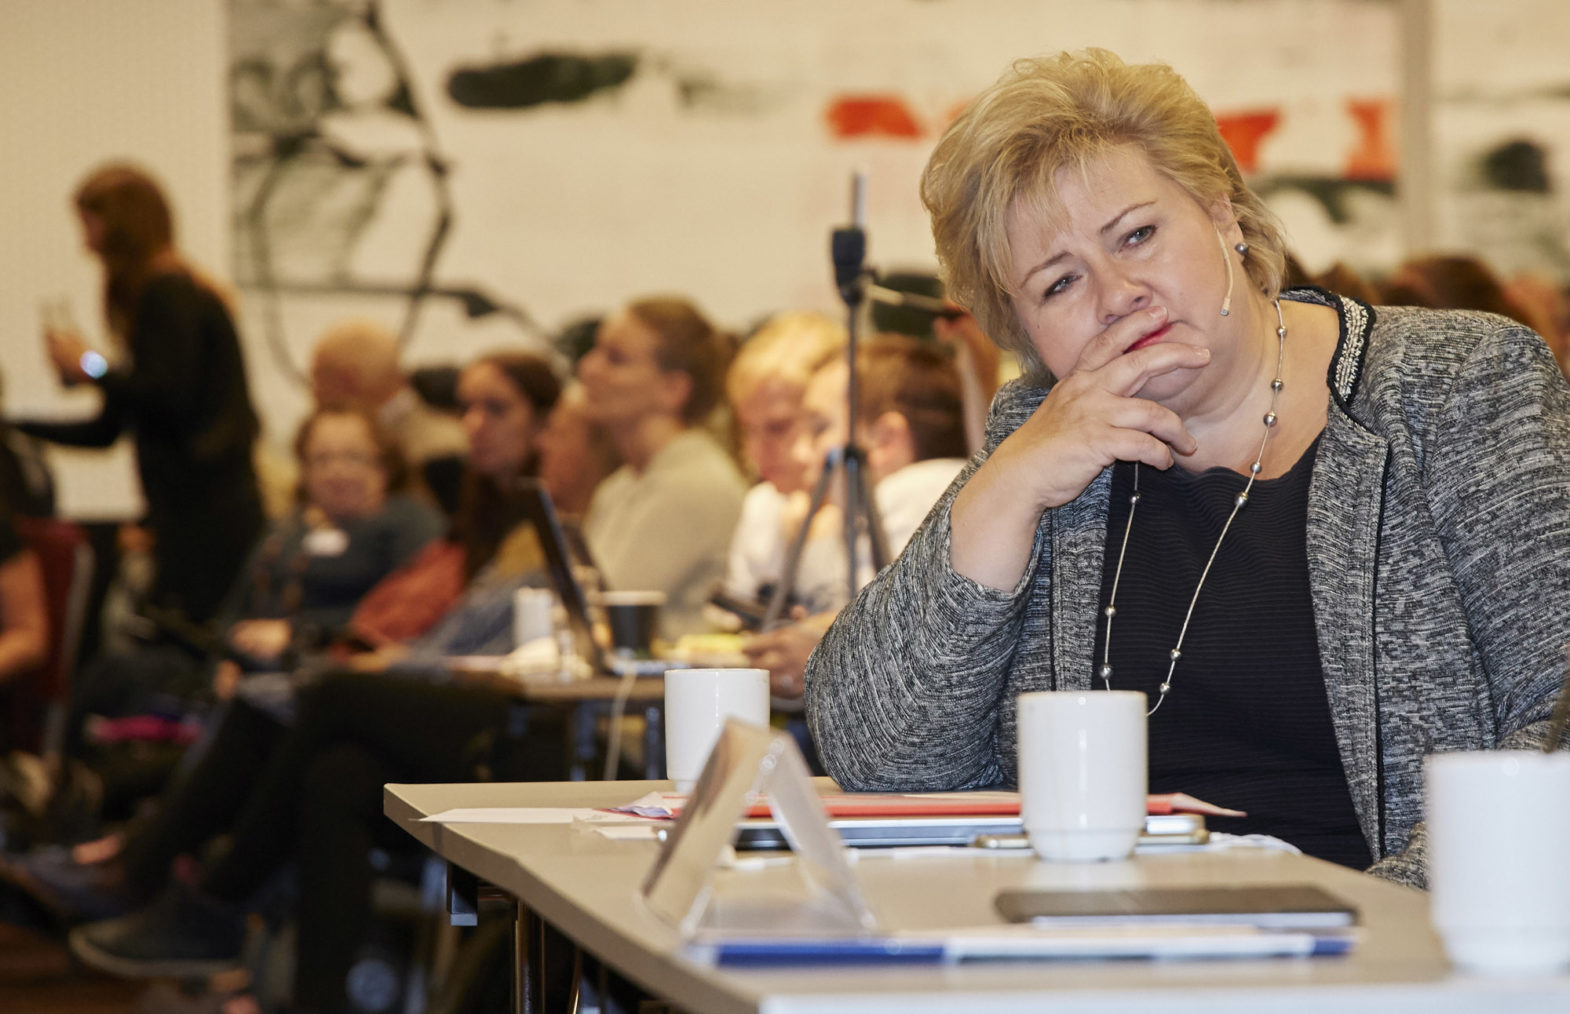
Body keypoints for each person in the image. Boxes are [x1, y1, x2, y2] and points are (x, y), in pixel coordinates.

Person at [805, 48, 1570, 886]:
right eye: (1059, 285)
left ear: (1221, 213)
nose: (1117, 292)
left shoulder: (1457, 384)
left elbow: (1556, 728)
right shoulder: (1043, 436)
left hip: (1393, 950)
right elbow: (879, 754)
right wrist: (1006, 489)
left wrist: (1368, 926)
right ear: (1024, 336)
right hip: (1098, 946)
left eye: (1138, 234)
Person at [11, 164, 264, 625]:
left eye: (91, 225)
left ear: (122, 226)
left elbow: (166, 396)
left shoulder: (168, 295)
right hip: (189, 513)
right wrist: (14, 423)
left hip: (206, 518)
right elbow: (109, 428)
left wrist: (91, 366)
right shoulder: (176, 295)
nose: (85, 243)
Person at [744, 334, 969, 701]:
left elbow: (900, 637)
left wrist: (823, 650)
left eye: (818, 428)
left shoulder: (919, 490)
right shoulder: (890, 502)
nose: (801, 453)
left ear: (886, 439)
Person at [577, 297, 747, 637]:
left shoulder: (695, 484)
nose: (588, 369)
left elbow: (600, 609)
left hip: (670, 688)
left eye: (616, 359)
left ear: (673, 389)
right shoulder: (621, 484)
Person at [721, 311, 846, 608]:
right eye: (747, 430)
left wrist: (814, 541)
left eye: (778, 427)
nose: (755, 451)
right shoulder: (763, 507)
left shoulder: (882, 509)